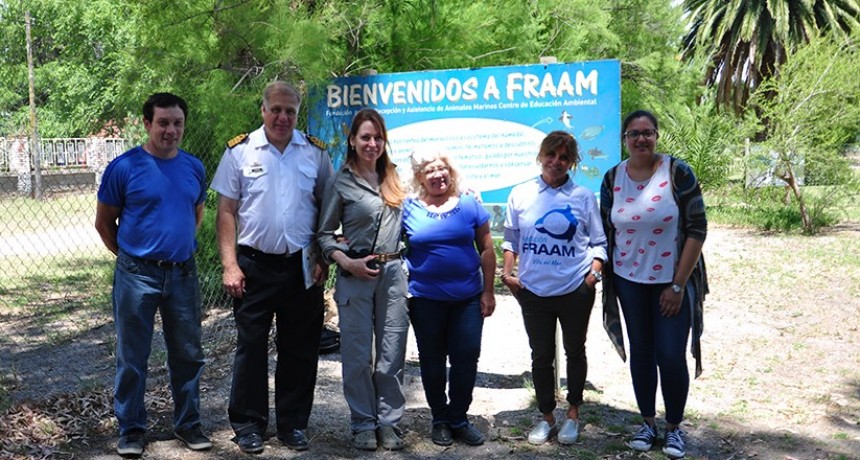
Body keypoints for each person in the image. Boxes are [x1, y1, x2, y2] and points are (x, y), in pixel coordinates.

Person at [211, 81, 333, 454]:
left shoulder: (315, 154)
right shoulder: (240, 152)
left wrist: (322, 260)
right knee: (251, 348)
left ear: (298, 114)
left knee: (300, 348)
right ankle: (248, 425)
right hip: (253, 266)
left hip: (302, 265)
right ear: (262, 110)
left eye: (290, 111)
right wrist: (230, 265)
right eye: (275, 109)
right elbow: (226, 211)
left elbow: (327, 211)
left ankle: (293, 424)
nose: (282, 117)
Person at [94, 92, 211, 456]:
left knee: (188, 353)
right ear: (147, 124)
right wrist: (133, 258)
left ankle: (188, 424)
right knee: (132, 356)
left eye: (177, 123)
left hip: (182, 275)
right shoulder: (124, 167)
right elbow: (104, 223)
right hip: (136, 276)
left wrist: (173, 251)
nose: (170, 130)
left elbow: (195, 214)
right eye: (163, 122)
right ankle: (131, 429)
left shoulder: (193, 167)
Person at [599, 110, 707, 459]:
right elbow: (605, 230)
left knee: (671, 355)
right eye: (634, 134)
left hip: (670, 282)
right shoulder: (612, 177)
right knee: (642, 354)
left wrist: (677, 286)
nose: (641, 139)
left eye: (648, 133)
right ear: (625, 139)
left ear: (657, 135)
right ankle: (647, 423)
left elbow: (697, 229)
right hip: (629, 281)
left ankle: (674, 428)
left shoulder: (678, 172)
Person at [500, 130, 607, 446]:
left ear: (572, 162)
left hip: (576, 288)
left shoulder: (583, 197)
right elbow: (511, 239)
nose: (556, 162)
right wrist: (508, 274)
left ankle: (573, 412)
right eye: (551, 155)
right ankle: (547, 416)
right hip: (533, 291)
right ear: (541, 155)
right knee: (540, 355)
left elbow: (600, 243)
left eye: (564, 157)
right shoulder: (520, 194)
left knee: (575, 350)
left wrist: (592, 277)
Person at [317, 108, 409, 451]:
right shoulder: (340, 181)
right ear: (352, 141)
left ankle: (388, 422)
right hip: (355, 275)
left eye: (378, 137)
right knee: (357, 355)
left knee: (391, 353)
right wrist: (345, 261)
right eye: (365, 137)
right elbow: (324, 235)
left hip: (393, 276)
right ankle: (363, 423)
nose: (372, 144)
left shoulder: (395, 178)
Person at [402, 149, 496, 447]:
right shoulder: (408, 208)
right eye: (429, 170)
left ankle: (459, 418)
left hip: (467, 298)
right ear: (420, 177)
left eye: (442, 168)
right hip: (425, 299)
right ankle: (440, 419)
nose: (437, 175)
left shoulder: (469, 204)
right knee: (431, 360)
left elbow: (487, 249)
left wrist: (489, 291)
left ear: (451, 172)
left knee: (466, 357)